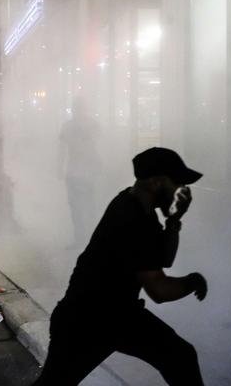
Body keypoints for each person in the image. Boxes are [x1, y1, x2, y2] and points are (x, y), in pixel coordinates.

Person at [35, 147, 208, 386]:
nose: (181, 190)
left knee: (180, 356)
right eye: (176, 182)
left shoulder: (136, 206)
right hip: (88, 322)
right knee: (180, 356)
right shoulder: (133, 219)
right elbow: (159, 290)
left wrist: (174, 220)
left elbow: (162, 259)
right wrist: (193, 281)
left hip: (115, 316)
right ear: (157, 182)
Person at [58, 98, 100, 248]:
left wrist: (58, 167)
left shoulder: (68, 126)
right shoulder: (92, 124)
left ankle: (83, 238)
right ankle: (87, 238)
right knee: (85, 206)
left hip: (78, 171)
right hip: (81, 171)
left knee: (81, 207)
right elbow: (98, 146)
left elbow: (62, 150)